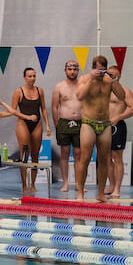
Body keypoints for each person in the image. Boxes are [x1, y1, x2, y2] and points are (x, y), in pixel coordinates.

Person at [75, 55, 128, 202]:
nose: (100, 73)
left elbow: (122, 96)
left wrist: (115, 80)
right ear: (93, 68)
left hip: (105, 124)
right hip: (88, 123)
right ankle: (80, 193)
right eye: (98, 70)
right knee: (85, 158)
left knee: (104, 160)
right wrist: (91, 79)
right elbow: (79, 96)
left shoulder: (108, 81)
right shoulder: (85, 79)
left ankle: (100, 194)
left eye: (102, 70)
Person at [9, 67, 49, 195]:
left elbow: (43, 109)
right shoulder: (18, 92)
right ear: (24, 77)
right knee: (24, 155)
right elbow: (13, 111)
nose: (32, 78)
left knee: (35, 154)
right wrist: (27, 117)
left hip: (37, 123)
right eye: (29, 76)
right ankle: (24, 185)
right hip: (23, 123)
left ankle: (33, 184)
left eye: (34, 76)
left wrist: (48, 125)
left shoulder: (39, 90)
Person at [105, 65, 133, 199]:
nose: (111, 77)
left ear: (119, 76)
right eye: (108, 74)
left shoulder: (124, 91)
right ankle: (111, 185)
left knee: (117, 157)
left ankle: (117, 189)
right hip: (103, 127)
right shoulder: (101, 90)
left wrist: (118, 117)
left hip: (117, 126)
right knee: (106, 158)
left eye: (113, 75)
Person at [51, 59, 83, 192]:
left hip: (80, 122)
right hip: (64, 122)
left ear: (78, 71)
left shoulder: (83, 86)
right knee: (64, 153)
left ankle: (78, 183)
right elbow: (54, 107)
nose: (72, 72)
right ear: (65, 71)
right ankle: (65, 183)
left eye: (75, 69)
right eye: (70, 69)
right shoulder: (59, 86)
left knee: (78, 154)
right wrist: (57, 124)